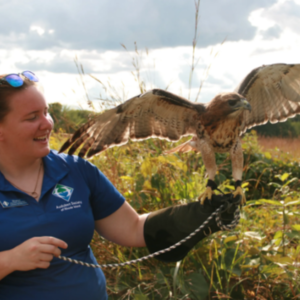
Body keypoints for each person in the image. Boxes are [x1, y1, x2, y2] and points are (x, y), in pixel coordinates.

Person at [0, 71, 241, 299]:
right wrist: (10, 260)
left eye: (46, 112)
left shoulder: (76, 170)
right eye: (32, 117)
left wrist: (198, 214)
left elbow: (133, 228)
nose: (47, 124)